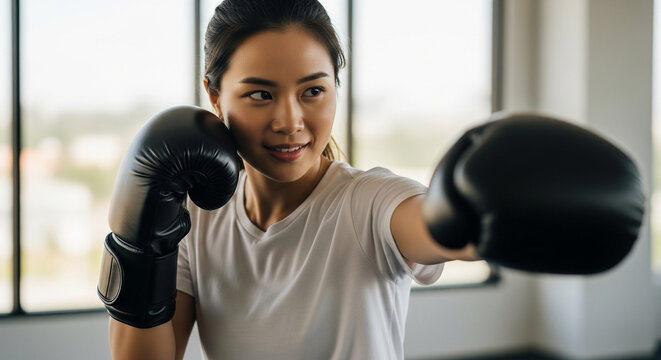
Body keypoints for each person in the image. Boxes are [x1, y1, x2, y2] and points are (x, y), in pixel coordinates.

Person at [98, 0, 643, 359]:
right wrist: (137, 242)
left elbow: (432, 227)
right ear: (215, 96)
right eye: (260, 93)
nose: (290, 121)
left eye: (313, 90)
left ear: (337, 87)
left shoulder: (367, 201)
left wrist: (465, 214)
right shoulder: (196, 217)